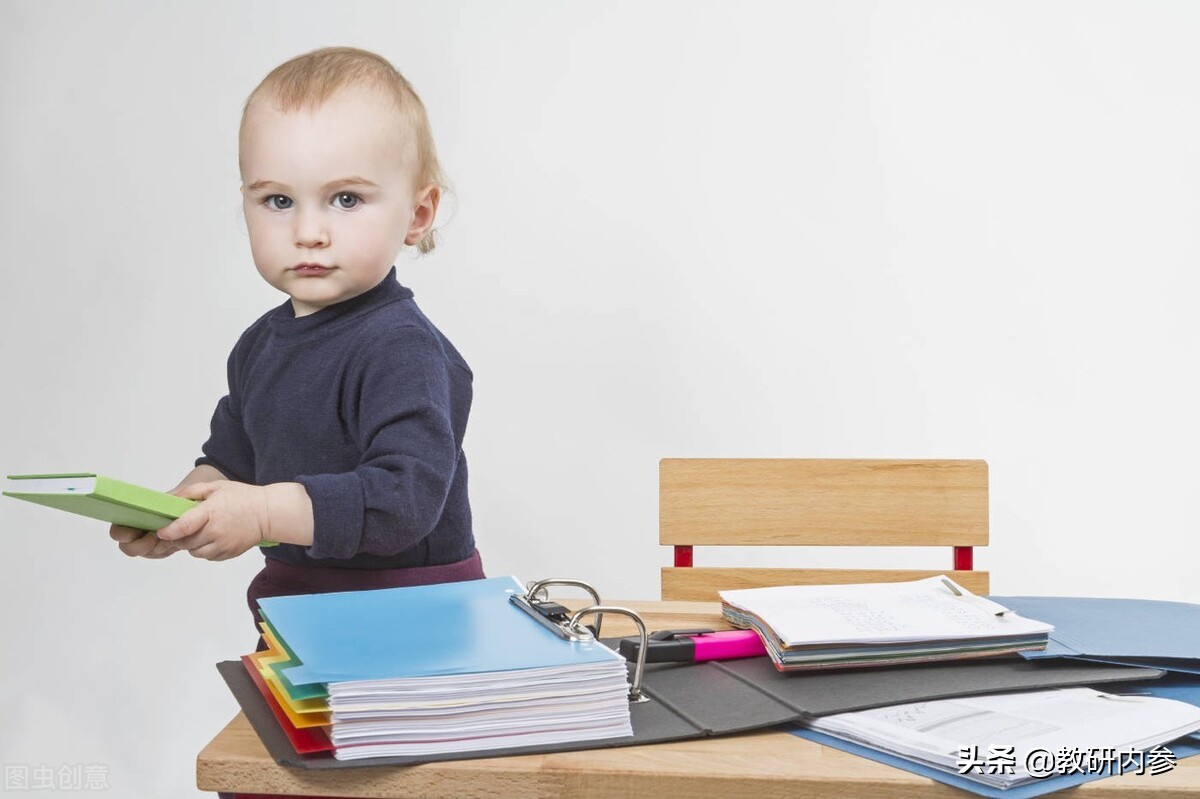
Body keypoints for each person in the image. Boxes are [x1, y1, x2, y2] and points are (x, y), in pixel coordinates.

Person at [109, 46, 484, 635]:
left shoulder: (401, 348)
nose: (309, 233)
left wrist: (260, 512)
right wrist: (180, 513)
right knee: (287, 728)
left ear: (417, 214)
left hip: (413, 620)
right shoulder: (258, 347)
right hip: (298, 615)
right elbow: (232, 464)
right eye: (278, 201)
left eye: (346, 199)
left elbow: (403, 500)